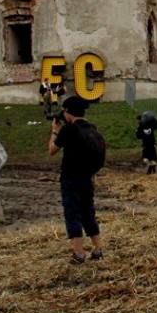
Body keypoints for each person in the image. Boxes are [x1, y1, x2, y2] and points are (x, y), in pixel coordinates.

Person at [49, 96, 104, 264]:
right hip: (87, 178)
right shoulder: (92, 129)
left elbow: (52, 150)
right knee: (88, 212)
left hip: (70, 178)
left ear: (67, 112)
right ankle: (98, 248)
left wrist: (54, 131)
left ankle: (78, 253)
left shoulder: (69, 130)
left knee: (73, 214)